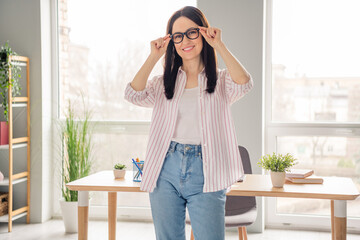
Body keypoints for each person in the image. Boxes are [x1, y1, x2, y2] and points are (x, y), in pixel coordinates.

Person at [124, 6, 253, 240]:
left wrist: (219, 46)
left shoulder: (222, 81)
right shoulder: (164, 83)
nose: (185, 41)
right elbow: (133, 94)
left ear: (203, 33)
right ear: (172, 42)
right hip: (165, 168)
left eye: (192, 32)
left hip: (208, 169)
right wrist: (154, 56)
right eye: (178, 36)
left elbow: (245, 83)